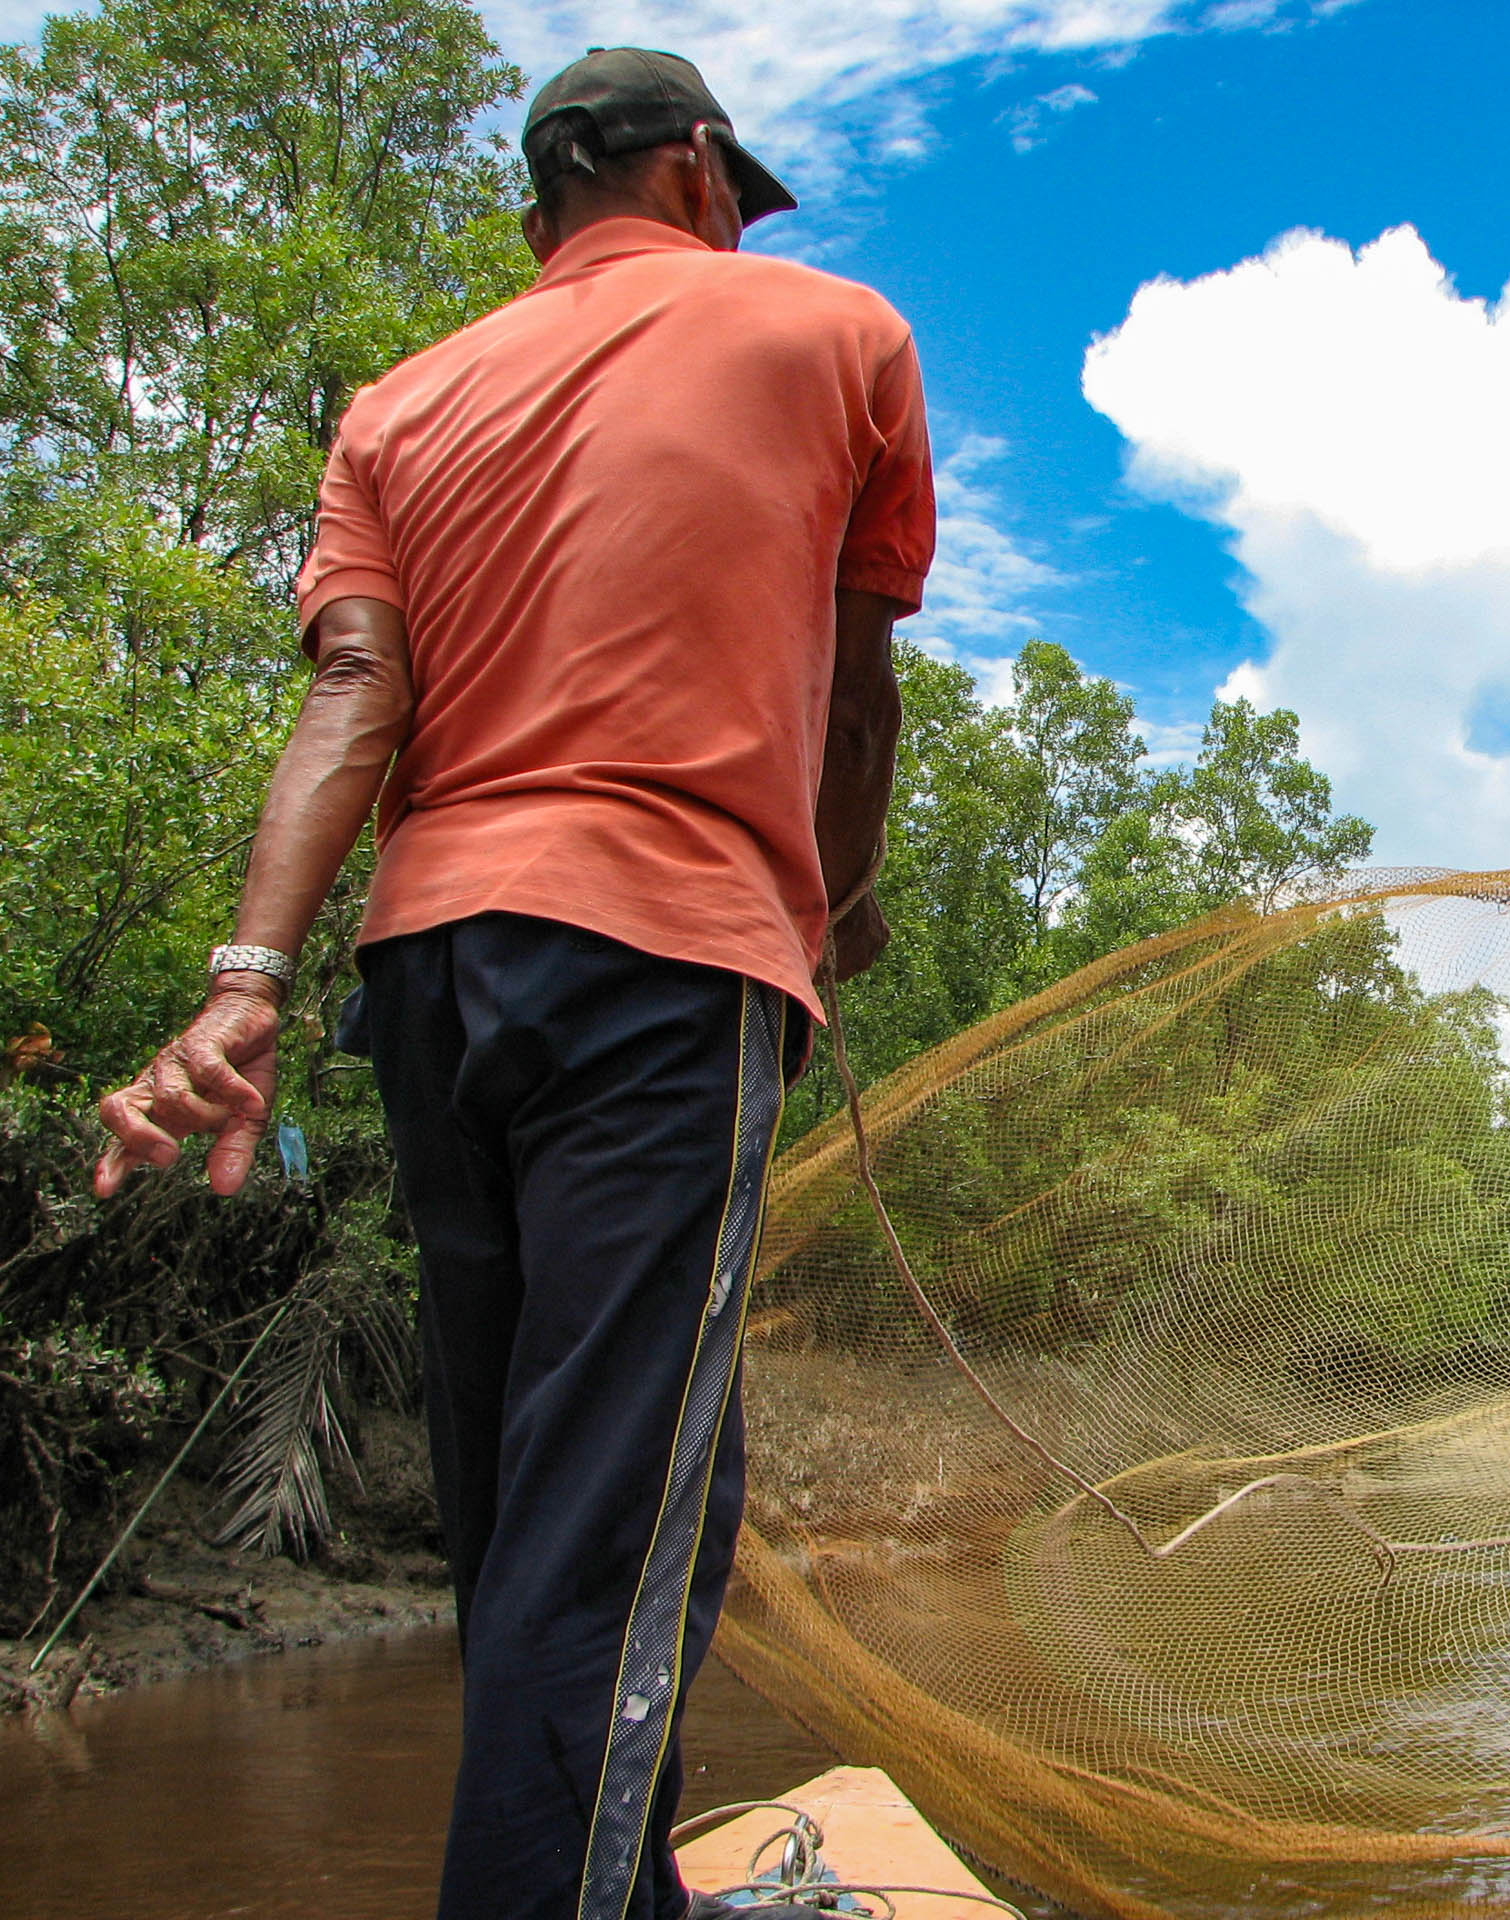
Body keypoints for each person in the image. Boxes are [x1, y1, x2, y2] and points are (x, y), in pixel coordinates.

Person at [92, 47, 933, 1920]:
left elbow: (352, 697)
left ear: (538, 204)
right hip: (669, 949)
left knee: (531, 1500)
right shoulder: (842, 333)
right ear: (702, 168)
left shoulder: (398, 402)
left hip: (430, 967)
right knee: (615, 1516)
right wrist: (837, 909)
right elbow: (854, 700)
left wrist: (245, 986)